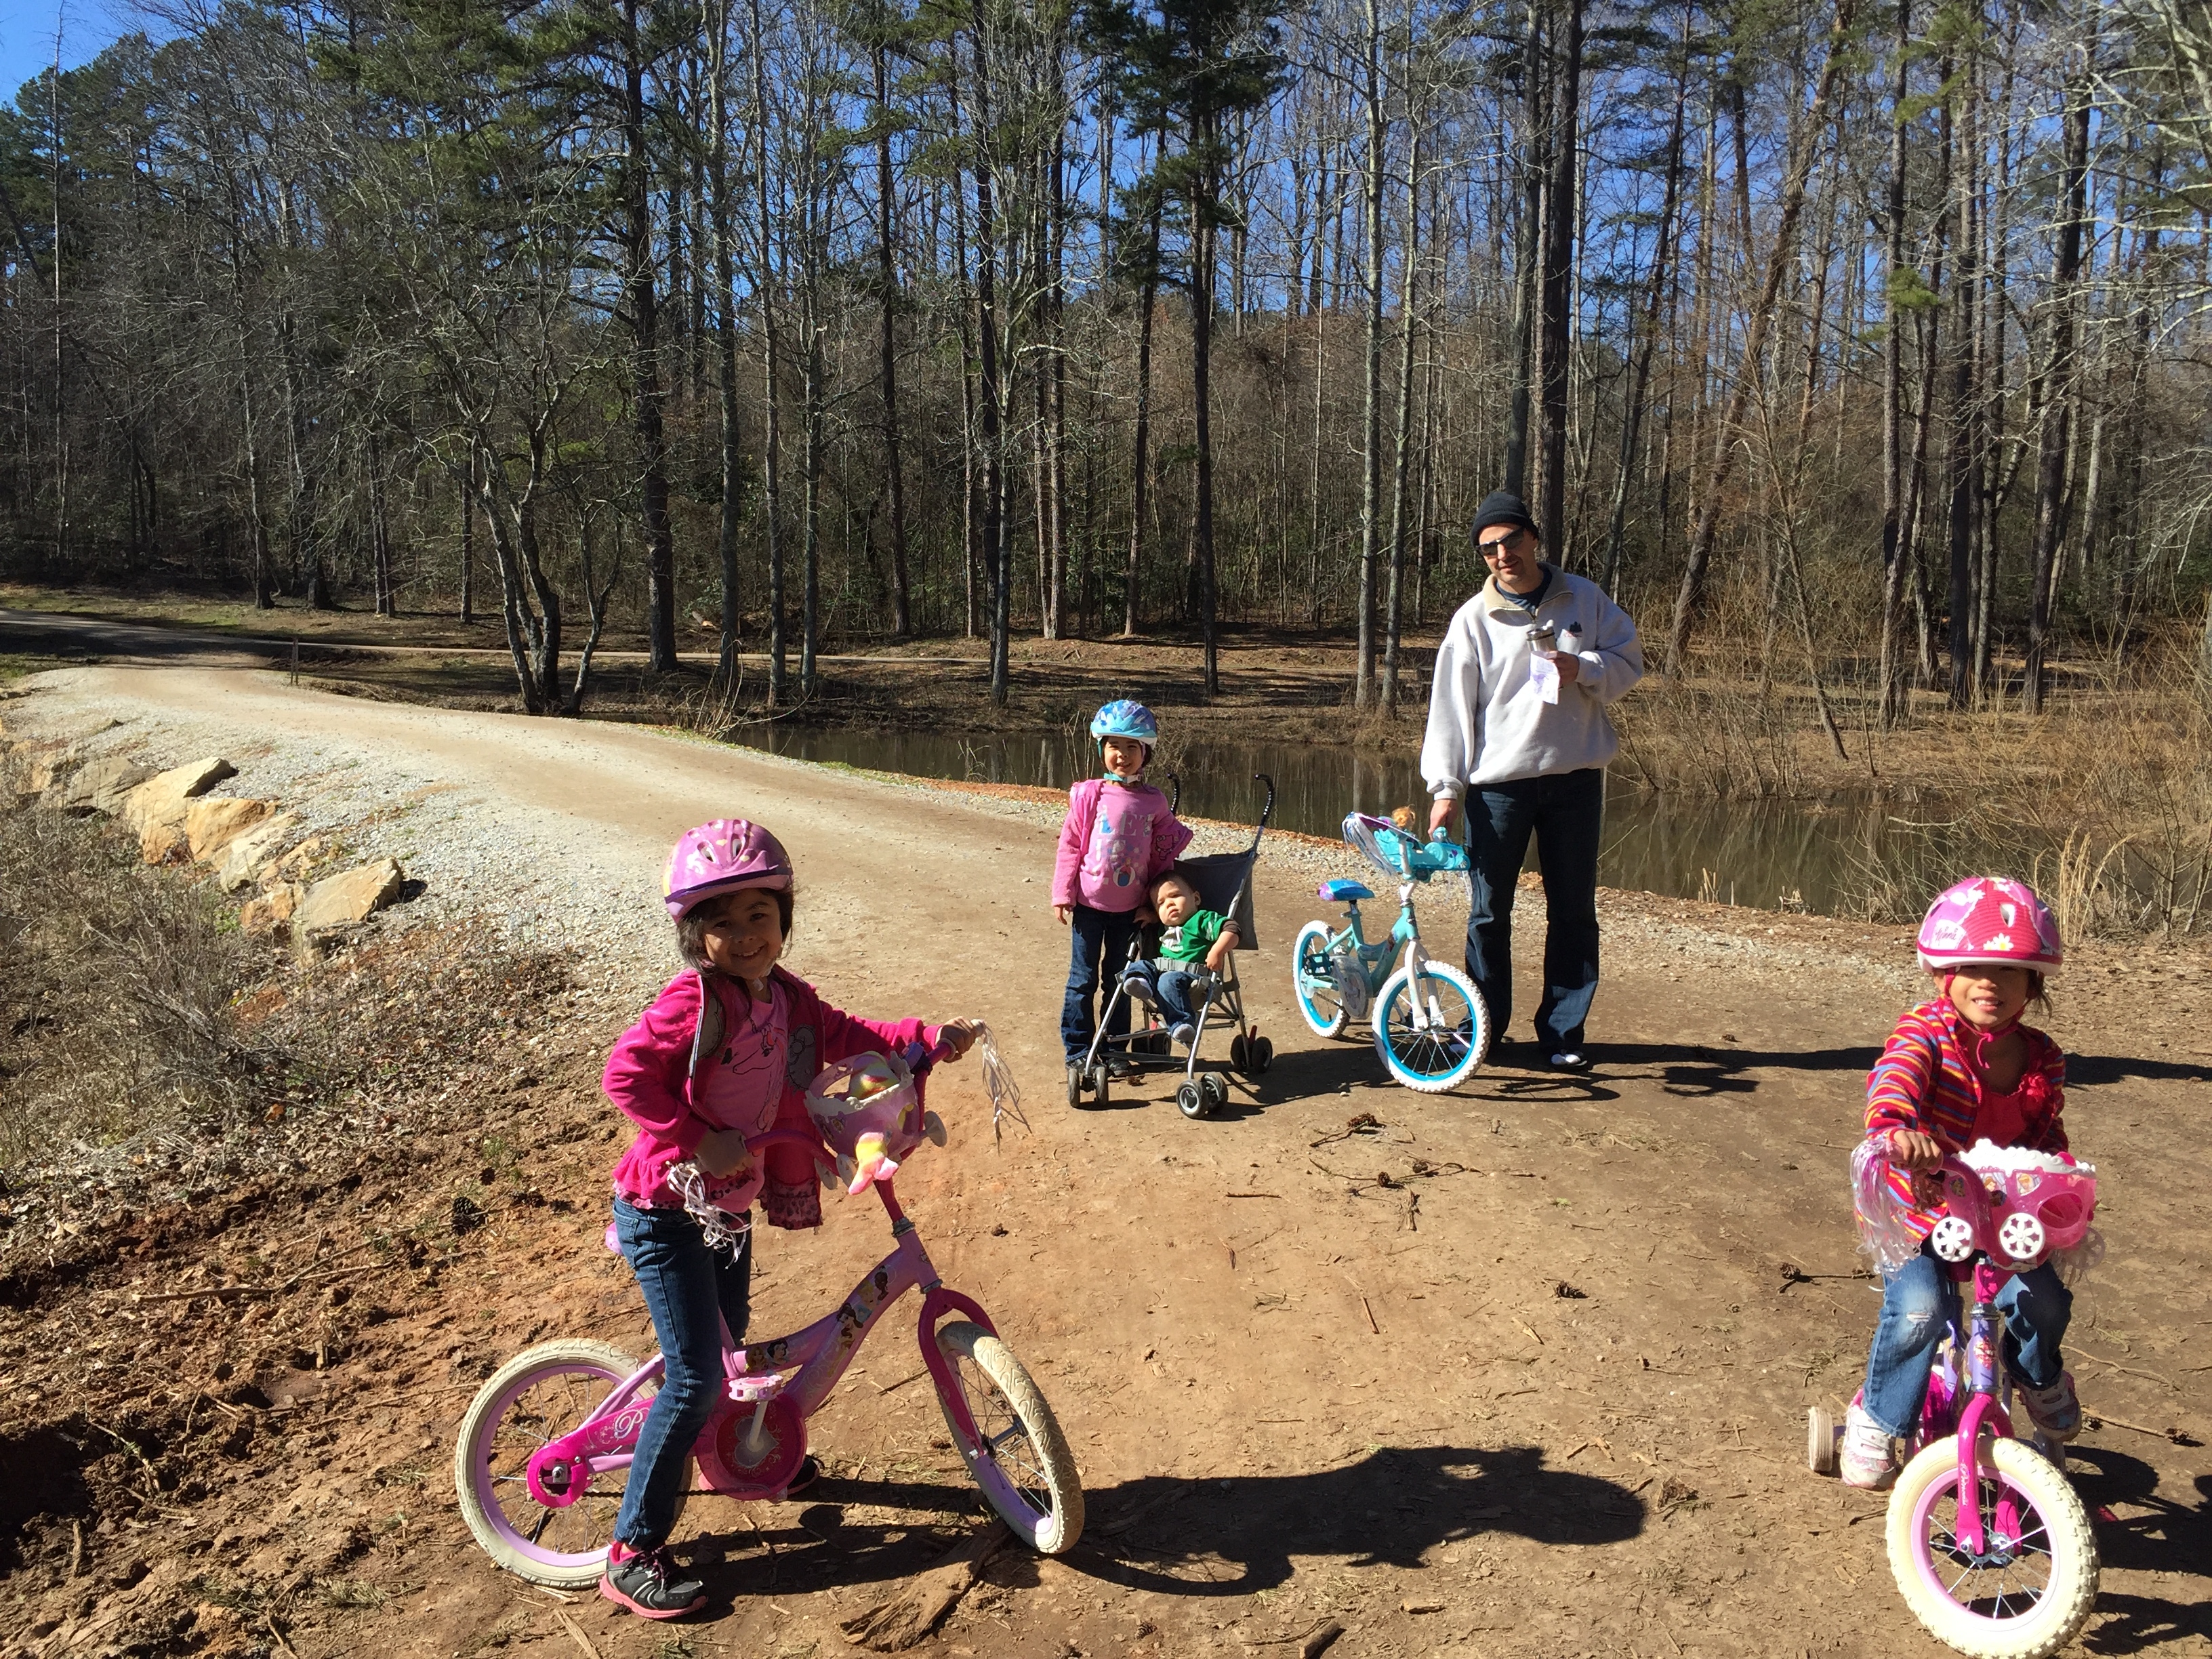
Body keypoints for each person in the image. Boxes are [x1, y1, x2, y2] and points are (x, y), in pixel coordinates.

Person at [599, 819, 979, 1617]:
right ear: (694, 935)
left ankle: (740, 1446)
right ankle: (634, 1547)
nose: (744, 935)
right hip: (667, 1210)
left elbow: (848, 1036)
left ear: (785, 920)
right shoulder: (691, 1002)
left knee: (729, 1350)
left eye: (760, 916)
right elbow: (624, 1075)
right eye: (723, 921)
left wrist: (925, 1040)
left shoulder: (787, 999)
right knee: (699, 1371)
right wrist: (699, 1138)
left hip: (724, 1214)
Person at [1840, 877, 2081, 1490]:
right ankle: (1879, 1415)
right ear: (1944, 974)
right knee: (1921, 1308)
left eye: (2010, 971)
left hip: (2006, 1218)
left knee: (2044, 1302)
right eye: (1972, 967)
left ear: (2035, 983)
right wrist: (1897, 1129)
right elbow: (1893, 1079)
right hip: (1923, 1211)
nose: (1990, 984)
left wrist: (2062, 1177)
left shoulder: (2042, 1057)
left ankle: (2037, 1375)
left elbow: (2048, 1135)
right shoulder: (1925, 1033)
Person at [1420, 491, 1643, 1070]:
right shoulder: (1474, 619)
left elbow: (1629, 662)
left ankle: (1563, 1033)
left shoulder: (1585, 599)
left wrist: (1585, 667)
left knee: (1572, 911)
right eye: (1488, 548)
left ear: (1533, 538)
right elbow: (1451, 708)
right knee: (1489, 912)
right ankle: (1485, 1029)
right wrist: (1446, 789)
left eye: (1510, 541)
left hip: (1575, 781)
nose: (1501, 555)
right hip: (1499, 790)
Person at [1052, 700, 1191, 1082]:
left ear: (1144, 754)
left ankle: (1113, 1048)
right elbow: (1070, 844)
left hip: (1130, 910)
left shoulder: (1154, 802)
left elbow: (1163, 859)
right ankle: (1079, 1051)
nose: (1123, 755)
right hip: (1088, 903)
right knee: (1082, 980)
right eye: (1115, 746)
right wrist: (1062, 892)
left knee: (1121, 981)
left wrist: (1155, 907)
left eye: (1133, 748)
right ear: (1102, 750)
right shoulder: (1089, 795)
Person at [1126, 867, 1240, 1044]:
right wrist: (1151, 916)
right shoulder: (1162, 927)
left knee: (1168, 979)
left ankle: (1182, 1025)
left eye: (1175, 896)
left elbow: (1232, 930)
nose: (1169, 904)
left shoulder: (1201, 920)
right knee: (1141, 966)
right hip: (1161, 977)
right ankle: (1140, 983)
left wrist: (1217, 951)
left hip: (1194, 981)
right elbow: (1159, 918)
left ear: (1196, 899)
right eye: (1161, 904)